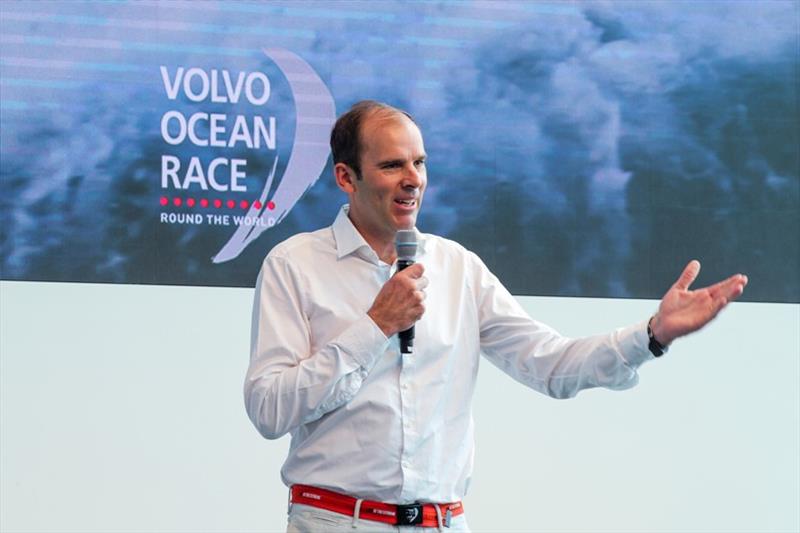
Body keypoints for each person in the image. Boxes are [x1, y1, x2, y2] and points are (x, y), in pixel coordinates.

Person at [244, 100, 748, 532]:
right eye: (393, 165)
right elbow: (269, 409)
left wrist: (653, 334)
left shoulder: (457, 267)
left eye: (420, 163)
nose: (413, 180)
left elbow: (550, 363)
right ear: (345, 177)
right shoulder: (295, 266)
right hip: (336, 521)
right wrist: (374, 326)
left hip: (444, 521)